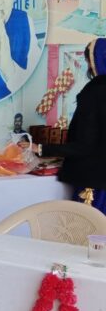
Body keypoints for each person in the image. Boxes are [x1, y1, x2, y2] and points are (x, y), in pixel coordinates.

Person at [39, 39, 106, 213]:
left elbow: (85, 145)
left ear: (96, 62)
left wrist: (40, 149)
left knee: (87, 227)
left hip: (94, 182)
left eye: (88, 61)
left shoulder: (95, 92)